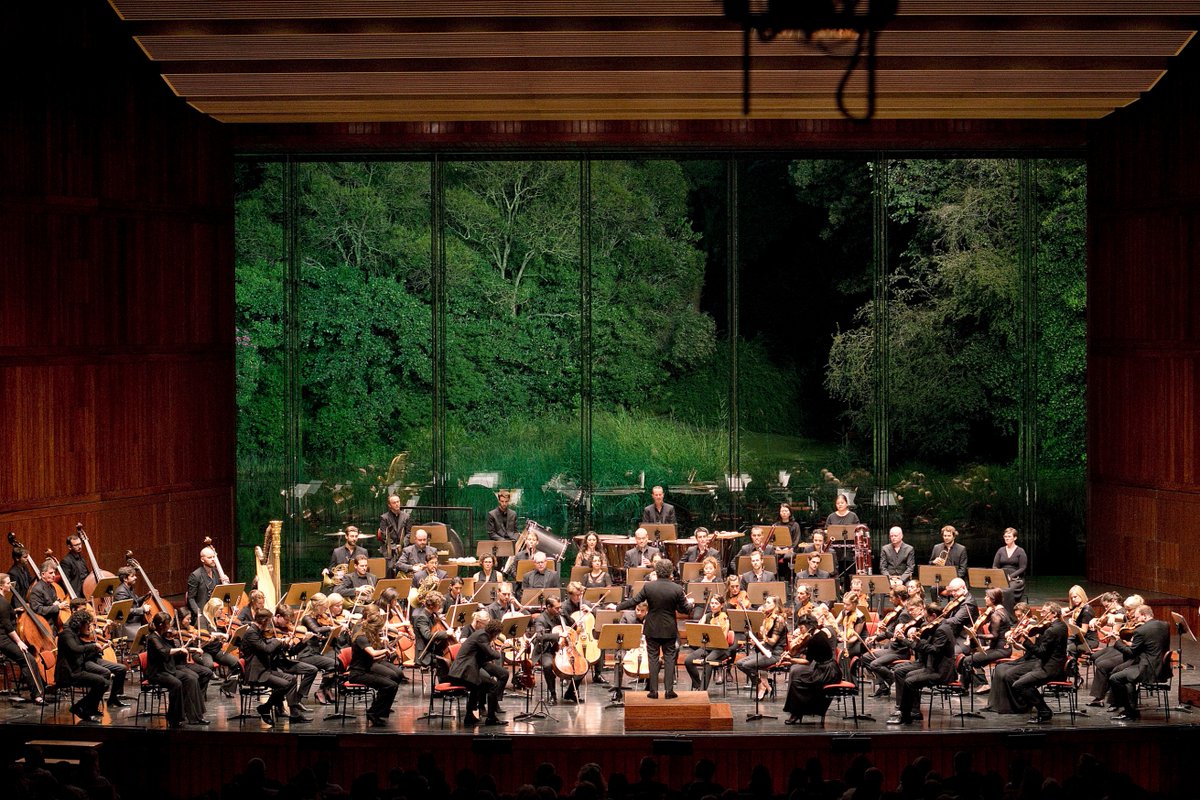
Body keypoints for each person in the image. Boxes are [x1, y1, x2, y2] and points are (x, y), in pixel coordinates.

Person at [615, 559, 693, 698]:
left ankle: (653, 691)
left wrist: (618, 606)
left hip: (652, 627)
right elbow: (685, 610)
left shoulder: (649, 587)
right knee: (669, 658)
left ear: (656, 572)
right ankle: (669, 691)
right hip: (669, 628)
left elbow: (635, 601)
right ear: (670, 572)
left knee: (653, 658)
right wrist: (691, 604)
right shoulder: (676, 588)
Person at [240, 607, 313, 725]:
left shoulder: (257, 631)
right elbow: (266, 649)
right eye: (268, 621)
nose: (270, 623)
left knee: (292, 679)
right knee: (285, 684)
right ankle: (265, 707)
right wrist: (278, 641)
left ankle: (294, 714)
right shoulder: (251, 632)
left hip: (265, 669)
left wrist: (283, 642)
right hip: (257, 672)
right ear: (263, 621)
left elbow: (268, 645)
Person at [889, 602, 958, 725]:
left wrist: (919, 642)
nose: (926, 620)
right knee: (908, 677)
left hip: (941, 672)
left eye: (927, 617)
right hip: (934, 668)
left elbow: (934, 650)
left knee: (910, 681)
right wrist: (918, 641)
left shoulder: (942, 629)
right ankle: (907, 713)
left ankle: (906, 715)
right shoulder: (941, 626)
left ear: (933, 615)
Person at [1108, 604, 1171, 721]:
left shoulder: (1141, 631)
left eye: (1137, 618)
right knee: (1126, 679)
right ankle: (1130, 711)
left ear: (1144, 616)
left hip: (1147, 669)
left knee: (1115, 678)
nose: (1136, 620)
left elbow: (1132, 653)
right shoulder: (1165, 625)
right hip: (1162, 668)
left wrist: (1118, 642)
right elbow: (1152, 645)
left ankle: (1129, 711)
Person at [144, 611, 207, 728]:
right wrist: (178, 650)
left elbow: (175, 650)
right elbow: (163, 653)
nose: (170, 627)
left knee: (191, 678)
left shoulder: (163, 637)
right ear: (162, 625)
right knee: (176, 684)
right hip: (157, 672)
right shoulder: (153, 638)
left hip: (167, 669)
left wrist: (187, 648)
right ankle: (174, 718)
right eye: (168, 624)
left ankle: (196, 717)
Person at [449, 610, 507, 725]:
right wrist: (500, 650)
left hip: (466, 669)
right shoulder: (482, 636)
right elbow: (492, 654)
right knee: (492, 685)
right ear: (495, 632)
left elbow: (482, 656)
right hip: (462, 672)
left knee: (484, 684)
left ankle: (469, 716)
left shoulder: (482, 634)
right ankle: (491, 718)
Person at [55, 610, 112, 723]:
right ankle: (83, 710)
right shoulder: (66, 634)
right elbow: (75, 649)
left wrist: (99, 648)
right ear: (80, 624)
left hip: (77, 670)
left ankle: (86, 708)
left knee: (105, 682)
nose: (89, 627)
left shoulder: (75, 635)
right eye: (87, 624)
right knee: (100, 681)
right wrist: (92, 646)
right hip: (68, 674)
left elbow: (83, 654)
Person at [782, 613, 841, 724]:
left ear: (809, 627)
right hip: (828, 669)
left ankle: (797, 713)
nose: (800, 631)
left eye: (801, 628)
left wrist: (790, 660)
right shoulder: (820, 633)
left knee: (797, 681)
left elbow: (807, 661)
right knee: (799, 677)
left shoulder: (815, 639)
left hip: (827, 672)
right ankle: (798, 712)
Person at [348, 610, 401, 727]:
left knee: (392, 685)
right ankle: (373, 712)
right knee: (389, 686)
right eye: (379, 628)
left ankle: (379, 712)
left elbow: (374, 659)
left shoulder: (368, 636)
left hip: (366, 670)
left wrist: (387, 653)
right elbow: (372, 653)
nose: (381, 631)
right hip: (357, 674)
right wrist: (384, 650)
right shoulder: (361, 637)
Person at [0, 572, 42, 704]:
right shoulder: (2, 604)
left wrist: (14, 611)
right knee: (28, 659)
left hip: (4, 636)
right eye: (8, 583)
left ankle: (38, 692)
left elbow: (4, 617)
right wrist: (19, 642)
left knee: (29, 659)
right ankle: (37, 695)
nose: (10, 585)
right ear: (1, 586)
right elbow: (8, 627)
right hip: (4, 639)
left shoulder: (3, 603)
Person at [960, 588, 1012, 692]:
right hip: (1000, 647)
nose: (985, 598)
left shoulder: (996, 615)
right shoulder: (1002, 610)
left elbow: (994, 636)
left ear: (993, 599)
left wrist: (977, 636)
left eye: (987, 596)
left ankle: (964, 688)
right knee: (972, 657)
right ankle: (980, 683)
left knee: (967, 661)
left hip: (1000, 650)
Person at [735, 594, 785, 701]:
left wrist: (763, 634)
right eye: (765, 602)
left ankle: (762, 686)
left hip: (775, 654)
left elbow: (772, 642)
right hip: (765, 651)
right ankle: (762, 684)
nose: (765, 605)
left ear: (776, 605)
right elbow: (766, 641)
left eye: (768, 603)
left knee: (747, 665)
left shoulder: (779, 619)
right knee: (739, 663)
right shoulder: (767, 618)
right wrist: (758, 642)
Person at [533, 595, 578, 704]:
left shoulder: (560, 615)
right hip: (546, 649)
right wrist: (558, 635)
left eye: (560, 607)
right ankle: (553, 694)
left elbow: (574, 626)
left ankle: (570, 692)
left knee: (581, 666)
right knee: (548, 665)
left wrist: (566, 616)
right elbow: (540, 636)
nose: (559, 610)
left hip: (562, 649)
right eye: (556, 608)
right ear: (548, 607)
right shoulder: (541, 619)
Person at [683, 593, 729, 690]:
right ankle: (697, 684)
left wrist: (717, 628)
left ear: (721, 605)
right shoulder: (707, 616)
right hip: (707, 647)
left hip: (720, 649)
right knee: (688, 661)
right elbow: (698, 631)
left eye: (716, 603)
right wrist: (699, 626)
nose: (713, 605)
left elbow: (723, 638)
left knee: (707, 661)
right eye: (711, 603)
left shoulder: (724, 618)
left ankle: (702, 690)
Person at [112, 565, 151, 641]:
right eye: (132, 576)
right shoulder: (121, 592)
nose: (135, 577)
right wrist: (142, 609)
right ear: (125, 579)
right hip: (128, 624)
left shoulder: (129, 588)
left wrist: (146, 596)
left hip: (134, 620)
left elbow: (135, 602)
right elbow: (126, 611)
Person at [186, 546, 225, 623]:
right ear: (202, 559)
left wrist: (225, 582)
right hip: (203, 614)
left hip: (215, 613)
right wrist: (199, 614)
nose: (213, 559)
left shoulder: (216, 572)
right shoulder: (195, 575)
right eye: (210, 557)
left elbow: (219, 593)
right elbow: (191, 598)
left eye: (214, 557)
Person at [992, 527, 1028, 607]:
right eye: (1005, 536)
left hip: (1015, 578)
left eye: (1009, 536)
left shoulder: (1020, 551)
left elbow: (1023, 567)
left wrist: (1010, 576)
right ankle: (996, 610)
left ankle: (1008, 610)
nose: (1007, 538)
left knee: (1007, 590)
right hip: (1002, 577)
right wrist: (999, 576)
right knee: (994, 590)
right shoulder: (1001, 550)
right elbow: (995, 566)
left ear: (1015, 538)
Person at [28, 560, 68, 628]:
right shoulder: (37, 589)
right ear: (43, 574)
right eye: (51, 573)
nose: (54, 575)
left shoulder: (51, 586)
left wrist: (59, 603)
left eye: (54, 573)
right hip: (45, 624)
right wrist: (57, 607)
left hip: (54, 620)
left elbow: (55, 600)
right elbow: (37, 609)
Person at [1064, 584, 1098, 658]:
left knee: (1070, 648)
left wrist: (1072, 625)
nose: (1073, 599)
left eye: (1075, 597)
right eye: (1071, 598)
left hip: (1089, 640)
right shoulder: (1078, 607)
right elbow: (1068, 609)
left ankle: (1073, 667)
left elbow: (1084, 631)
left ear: (1081, 595)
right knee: (1062, 643)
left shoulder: (1086, 611)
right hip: (1079, 638)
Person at [878, 527, 915, 593]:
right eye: (891, 536)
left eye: (895, 535)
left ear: (901, 536)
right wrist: (889, 579)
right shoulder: (885, 549)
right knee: (879, 588)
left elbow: (910, 568)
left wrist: (901, 580)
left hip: (903, 578)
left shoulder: (909, 549)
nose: (893, 538)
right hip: (889, 578)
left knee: (911, 587)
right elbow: (882, 567)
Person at [378, 494, 414, 559]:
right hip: (389, 546)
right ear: (389, 505)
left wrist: (402, 544)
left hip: (404, 546)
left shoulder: (406, 517)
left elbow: (409, 533)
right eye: (394, 503)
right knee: (389, 566)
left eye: (398, 502)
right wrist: (394, 546)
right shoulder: (384, 517)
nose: (397, 504)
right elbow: (384, 535)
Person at [59, 533, 90, 599]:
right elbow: (66, 582)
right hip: (77, 594)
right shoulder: (66, 561)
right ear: (70, 547)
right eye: (76, 545)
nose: (80, 547)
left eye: (80, 544)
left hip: (87, 590)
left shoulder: (81, 558)